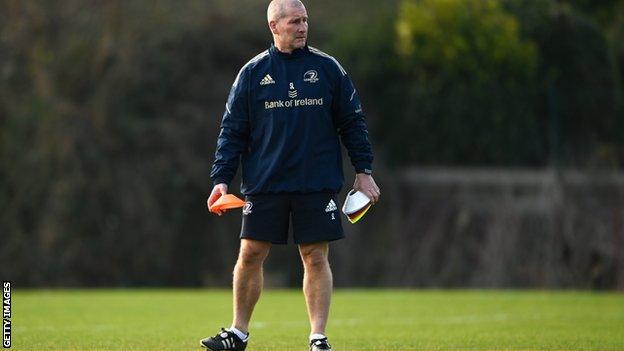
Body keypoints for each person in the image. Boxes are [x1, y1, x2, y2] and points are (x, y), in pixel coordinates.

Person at [199, 1, 379, 350]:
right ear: (274, 26)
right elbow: (232, 131)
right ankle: (237, 333)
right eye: (295, 21)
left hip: (315, 182)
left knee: (314, 255)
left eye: (305, 20)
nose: (302, 27)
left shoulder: (328, 69)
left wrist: (364, 172)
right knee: (250, 253)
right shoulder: (252, 73)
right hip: (266, 183)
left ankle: (318, 338)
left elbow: (353, 124)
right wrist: (221, 179)